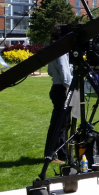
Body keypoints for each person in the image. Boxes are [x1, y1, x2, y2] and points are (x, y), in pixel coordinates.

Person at [44, 25, 73, 164]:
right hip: (63, 89)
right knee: (60, 124)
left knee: (60, 124)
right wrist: (69, 88)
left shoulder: (53, 49)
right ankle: (52, 155)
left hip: (56, 88)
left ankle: (61, 154)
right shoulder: (62, 50)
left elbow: (50, 71)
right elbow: (65, 73)